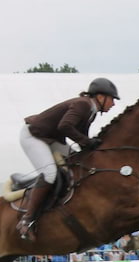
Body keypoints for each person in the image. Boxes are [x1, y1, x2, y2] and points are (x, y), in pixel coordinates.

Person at [16, 77, 120, 241]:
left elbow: (80, 136)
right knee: (50, 174)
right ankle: (26, 220)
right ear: (101, 97)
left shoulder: (90, 111)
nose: (113, 104)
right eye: (112, 99)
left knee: (78, 163)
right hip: (34, 136)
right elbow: (64, 126)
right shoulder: (83, 104)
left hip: (51, 139)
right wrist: (87, 142)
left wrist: (93, 147)